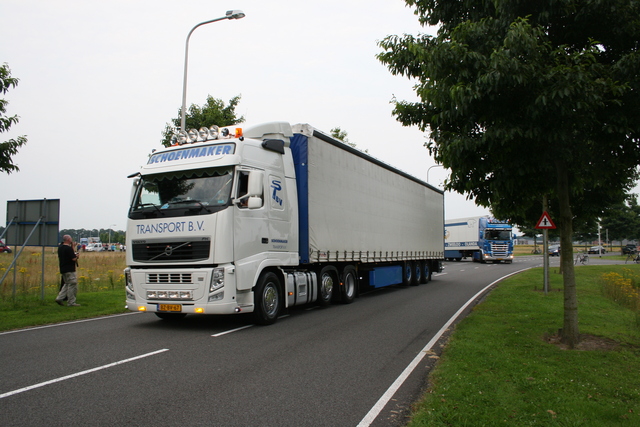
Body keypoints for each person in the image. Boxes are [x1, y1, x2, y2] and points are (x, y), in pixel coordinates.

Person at [55, 235, 81, 307]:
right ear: (68, 239)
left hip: (63, 268)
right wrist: (77, 257)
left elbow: (70, 254)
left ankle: (59, 298)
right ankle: (71, 302)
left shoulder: (60, 247)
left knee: (66, 284)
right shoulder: (68, 248)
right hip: (70, 269)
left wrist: (72, 247)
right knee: (73, 284)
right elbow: (73, 258)